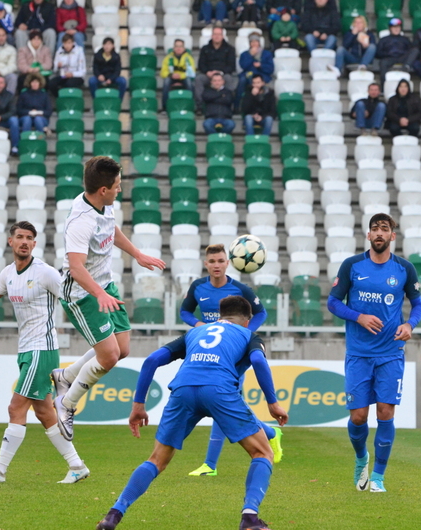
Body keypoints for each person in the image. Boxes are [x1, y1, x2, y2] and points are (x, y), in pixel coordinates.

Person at [94, 296, 288, 530]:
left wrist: (138, 405)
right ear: (246, 321)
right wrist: (272, 403)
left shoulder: (196, 332)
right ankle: (250, 519)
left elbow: (152, 360)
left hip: (183, 389)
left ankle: (114, 514)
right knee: (262, 453)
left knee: (156, 460)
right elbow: (258, 360)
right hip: (219, 390)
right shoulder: (249, 335)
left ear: (220, 316)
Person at [0, 221, 90, 484]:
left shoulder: (45, 273)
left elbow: (71, 298)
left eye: (29, 238)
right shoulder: (8, 273)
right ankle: (77, 466)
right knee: (45, 412)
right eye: (19, 237)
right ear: (10, 241)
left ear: (35, 244)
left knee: (15, 407)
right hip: (25, 351)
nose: (24, 241)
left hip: (41, 350)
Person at [50, 156, 166, 443]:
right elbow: (76, 268)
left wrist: (137, 254)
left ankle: (65, 377)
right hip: (82, 293)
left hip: (105, 285)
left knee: (122, 349)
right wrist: (99, 294)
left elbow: (110, 230)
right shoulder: (81, 219)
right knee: (110, 356)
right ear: (102, 189)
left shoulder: (104, 205)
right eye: (116, 186)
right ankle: (66, 403)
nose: (120, 189)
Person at [326, 213, 421, 493]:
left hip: (391, 353)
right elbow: (333, 303)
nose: (379, 233)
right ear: (368, 236)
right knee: (358, 417)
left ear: (393, 236)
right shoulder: (352, 266)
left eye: (385, 229)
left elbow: (417, 304)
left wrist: (410, 324)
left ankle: (379, 476)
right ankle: (361, 458)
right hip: (359, 353)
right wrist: (358, 317)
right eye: (375, 229)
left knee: (385, 413)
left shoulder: (405, 269)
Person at [179, 245, 282, 478]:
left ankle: (210, 465)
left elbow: (261, 313)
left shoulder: (239, 288)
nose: (216, 265)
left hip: (232, 353)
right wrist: (199, 326)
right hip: (209, 349)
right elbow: (185, 312)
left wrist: (244, 335)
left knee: (221, 403)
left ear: (228, 263)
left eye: (221, 261)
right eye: (212, 261)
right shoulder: (198, 287)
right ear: (206, 264)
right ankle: (270, 433)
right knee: (231, 402)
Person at [194, 27, 237, 113]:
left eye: (219, 34)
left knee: (229, 79)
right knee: (198, 79)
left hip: (223, 74)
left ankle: (228, 104)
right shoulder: (205, 48)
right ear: (211, 36)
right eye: (215, 34)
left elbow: (231, 66)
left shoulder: (230, 49)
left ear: (223, 36)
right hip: (208, 74)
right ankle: (200, 106)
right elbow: (201, 64)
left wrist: (220, 73)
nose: (217, 36)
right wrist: (207, 72)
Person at [236, 33, 273, 111]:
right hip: (248, 75)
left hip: (262, 75)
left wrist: (261, 65)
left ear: (259, 43)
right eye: (252, 42)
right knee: (243, 80)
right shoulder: (245, 54)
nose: (254, 44)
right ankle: (238, 105)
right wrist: (250, 56)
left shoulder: (267, 54)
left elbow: (270, 69)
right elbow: (244, 66)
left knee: (259, 81)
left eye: (256, 41)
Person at [160, 38, 195, 109]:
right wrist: (171, 75)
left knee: (189, 82)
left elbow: (191, 72)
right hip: (171, 77)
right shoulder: (168, 58)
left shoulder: (189, 58)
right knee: (166, 82)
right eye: (177, 46)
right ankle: (165, 107)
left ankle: (191, 105)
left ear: (184, 48)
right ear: (174, 48)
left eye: (180, 46)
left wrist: (180, 76)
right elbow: (163, 72)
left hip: (184, 77)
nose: (178, 48)